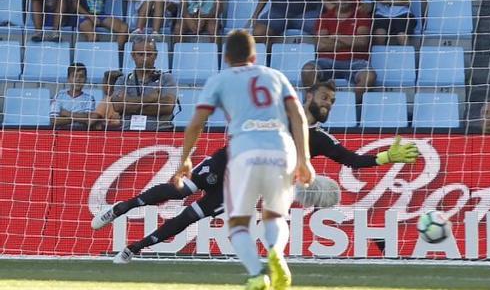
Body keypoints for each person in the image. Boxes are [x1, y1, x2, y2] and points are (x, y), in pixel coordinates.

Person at [93, 79, 420, 264]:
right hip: (230, 159)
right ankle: (122, 208)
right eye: (324, 97)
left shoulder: (318, 139)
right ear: (309, 96)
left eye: (333, 100)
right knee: (180, 189)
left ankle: (135, 248)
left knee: (192, 216)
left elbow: (352, 161)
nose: (328, 103)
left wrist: (385, 157)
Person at [172, 30, 313, 290]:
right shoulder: (275, 76)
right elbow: (299, 117)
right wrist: (304, 159)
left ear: (225, 57)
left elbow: (196, 124)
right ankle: (277, 254)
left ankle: (257, 274)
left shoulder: (220, 80)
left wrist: (185, 159)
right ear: (254, 56)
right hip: (283, 148)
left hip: (245, 150)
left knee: (238, 222)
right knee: (275, 216)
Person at [301, 0, 376, 102]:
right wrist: (350, 40)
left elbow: (362, 42)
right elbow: (321, 45)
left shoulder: (362, 17)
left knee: (369, 76)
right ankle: (317, 107)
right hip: (327, 61)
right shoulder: (324, 18)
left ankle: (350, 107)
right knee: (307, 70)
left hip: (355, 61)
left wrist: (336, 36)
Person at [110, 35, 179, 127]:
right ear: (133, 55)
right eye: (141, 54)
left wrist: (129, 103)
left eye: (149, 54)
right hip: (128, 133)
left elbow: (167, 107)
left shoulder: (167, 78)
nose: (145, 58)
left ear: (156, 55)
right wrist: (149, 99)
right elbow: (118, 106)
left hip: (160, 132)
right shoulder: (122, 80)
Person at [50, 63, 99, 130]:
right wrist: (80, 117)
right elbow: (54, 120)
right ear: (68, 79)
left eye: (81, 76)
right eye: (74, 76)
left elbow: (88, 119)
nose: (78, 79)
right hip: (62, 134)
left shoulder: (89, 99)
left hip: (81, 134)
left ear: (85, 79)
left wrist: (66, 113)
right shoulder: (59, 96)